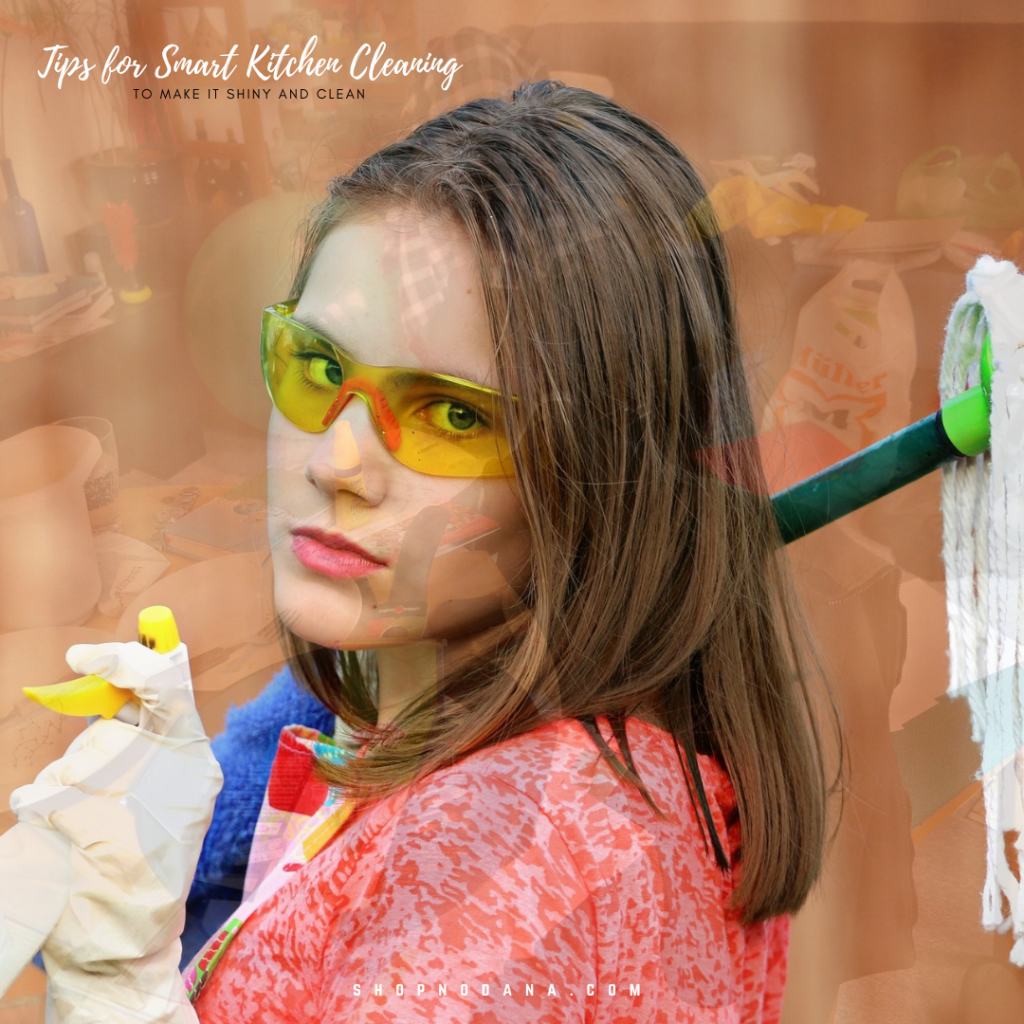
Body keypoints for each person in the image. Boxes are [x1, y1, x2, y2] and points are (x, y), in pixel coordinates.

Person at [13, 81, 841, 1022]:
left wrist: (114, 988)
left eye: (452, 414)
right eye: (321, 366)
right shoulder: (419, 705)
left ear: (606, 477)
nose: (337, 461)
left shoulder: (510, 866)